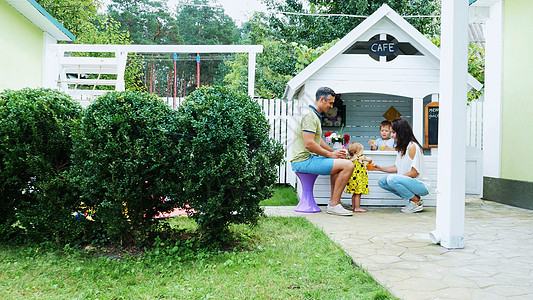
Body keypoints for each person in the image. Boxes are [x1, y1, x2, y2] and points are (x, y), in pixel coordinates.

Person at [291, 87, 354, 216]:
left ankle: (334, 202)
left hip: (309, 159)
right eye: (330, 103)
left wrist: (335, 152)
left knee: (339, 163)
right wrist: (331, 155)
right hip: (303, 161)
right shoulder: (310, 116)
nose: (331, 106)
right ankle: (334, 205)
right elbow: (309, 144)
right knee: (349, 165)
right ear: (321, 99)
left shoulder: (314, 115)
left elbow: (318, 141)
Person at [374, 118, 430, 213]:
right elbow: (396, 168)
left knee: (392, 179)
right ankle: (414, 199)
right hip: (409, 182)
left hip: (421, 185)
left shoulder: (412, 146)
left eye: (393, 132)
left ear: (401, 132)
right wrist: (379, 168)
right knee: (382, 182)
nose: (391, 135)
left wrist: (396, 178)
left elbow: (414, 172)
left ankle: (416, 201)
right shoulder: (401, 148)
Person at [344, 142, 372, 213]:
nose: (362, 153)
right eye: (362, 151)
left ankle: (353, 207)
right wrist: (366, 159)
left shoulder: (350, 159)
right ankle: (357, 207)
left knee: (355, 193)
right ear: (356, 152)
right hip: (359, 179)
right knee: (358, 194)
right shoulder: (360, 158)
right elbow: (370, 159)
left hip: (352, 179)